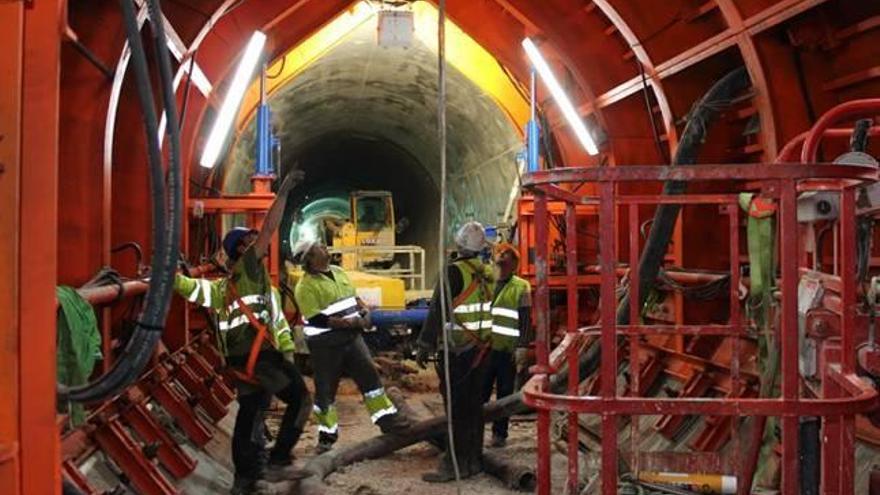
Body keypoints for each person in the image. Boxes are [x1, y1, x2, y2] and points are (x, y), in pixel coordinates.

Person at [174, 171, 311, 495]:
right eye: (249, 240)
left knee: (251, 414)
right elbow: (269, 228)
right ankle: (277, 461)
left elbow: (195, 291)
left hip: (240, 361)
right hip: (260, 357)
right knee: (301, 402)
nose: (257, 242)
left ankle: (247, 479)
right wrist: (285, 192)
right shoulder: (250, 265)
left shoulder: (227, 285)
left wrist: (170, 277)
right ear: (242, 249)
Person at [291, 240, 410, 453]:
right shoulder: (305, 286)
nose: (324, 246)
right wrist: (351, 323)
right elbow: (317, 319)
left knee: (371, 381)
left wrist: (364, 311)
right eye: (319, 246)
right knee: (326, 391)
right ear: (309, 257)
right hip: (326, 345)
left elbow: (354, 299)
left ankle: (390, 424)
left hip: (352, 339)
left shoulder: (338, 272)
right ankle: (326, 438)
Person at [415, 221, 495, 482]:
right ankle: (473, 460)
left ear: (459, 244)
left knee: (457, 409)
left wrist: (425, 344)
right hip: (483, 349)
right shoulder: (486, 272)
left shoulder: (453, 272)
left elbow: (437, 309)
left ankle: (453, 465)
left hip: (459, 351)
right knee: (475, 407)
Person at [482, 243, 532, 448]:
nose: (501, 261)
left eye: (506, 258)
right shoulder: (487, 283)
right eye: (499, 256)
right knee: (481, 391)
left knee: (505, 393)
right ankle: (475, 430)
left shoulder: (521, 286)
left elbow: (525, 319)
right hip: (485, 348)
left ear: (514, 265)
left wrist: (522, 346)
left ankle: (499, 434)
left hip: (507, 350)